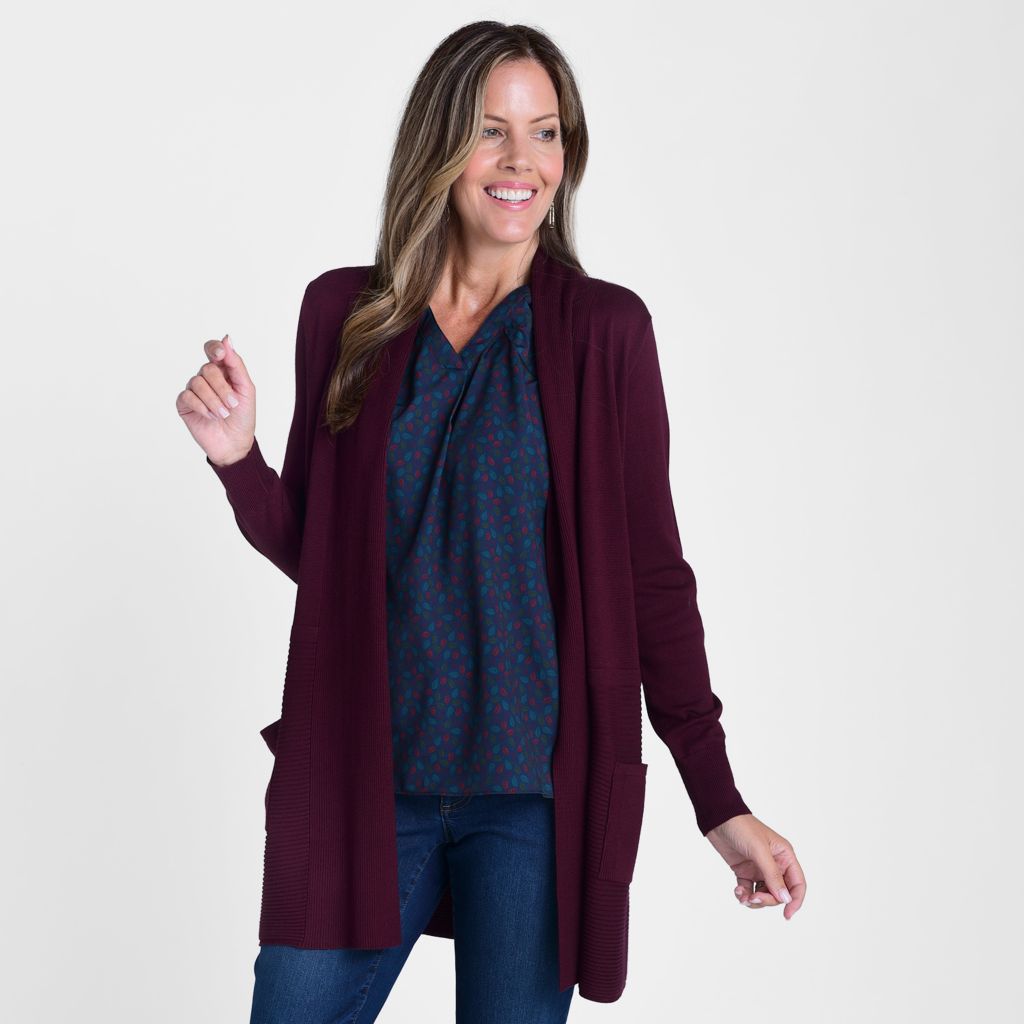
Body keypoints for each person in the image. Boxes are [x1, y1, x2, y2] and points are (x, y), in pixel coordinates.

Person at [177, 20, 806, 1024]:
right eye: (490, 131)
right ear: (439, 145)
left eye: (545, 133)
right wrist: (239, 459)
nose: (522, 162)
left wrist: (717, 799)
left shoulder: (604, 334)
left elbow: (651, 579)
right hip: (365, 779)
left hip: (534, 801)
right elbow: (327, 559)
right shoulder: (347, 315)